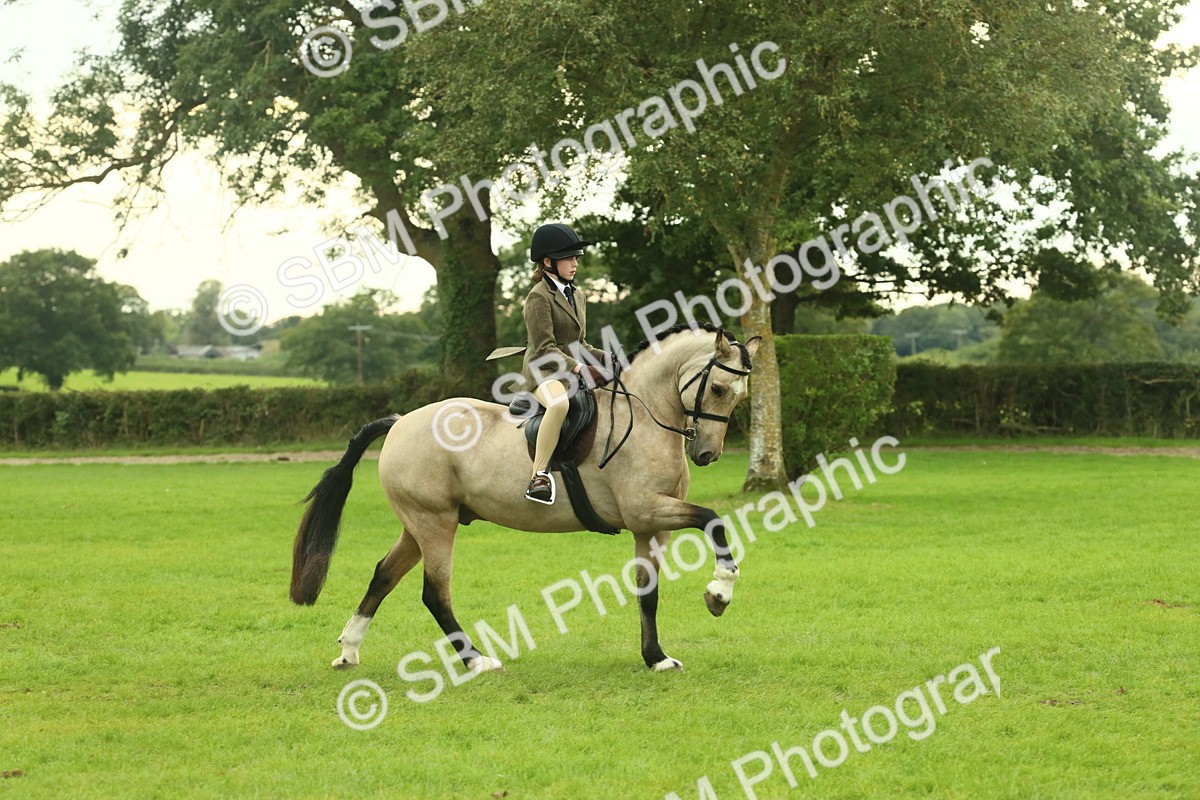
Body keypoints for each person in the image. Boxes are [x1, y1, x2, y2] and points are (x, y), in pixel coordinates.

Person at [520, 223, 611, 504]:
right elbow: (544, 348)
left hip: (568, 371)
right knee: (559, 404)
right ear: (548, 262)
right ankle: (539, 476)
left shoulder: (577, 295)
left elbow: (579, 344)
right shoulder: (538, 297)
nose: (575, 263)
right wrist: (580, 367)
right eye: (568, 258)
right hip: (543, 372)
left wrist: (608, 359)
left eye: (576, 258)